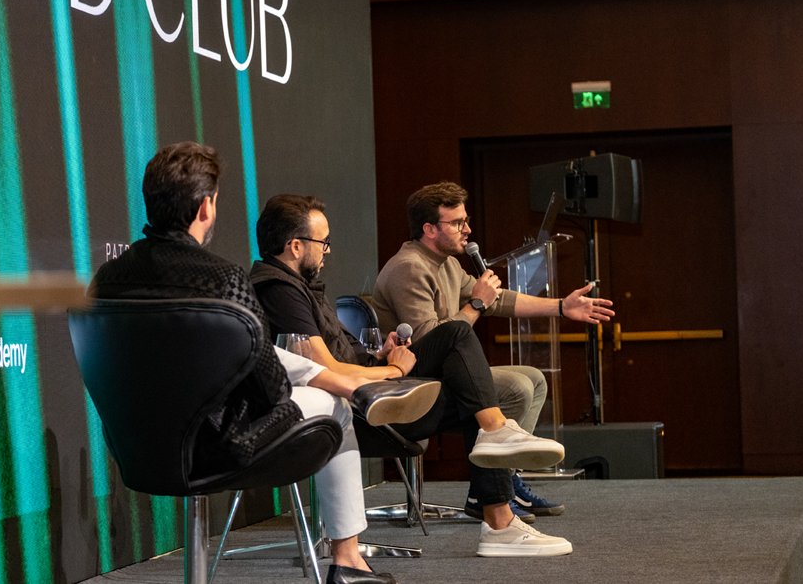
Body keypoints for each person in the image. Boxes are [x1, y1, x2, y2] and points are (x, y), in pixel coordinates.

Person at [90, 143, 441, 584]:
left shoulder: (108, 277)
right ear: (204, 207)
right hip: (220, 443)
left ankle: (346, 383)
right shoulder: (221, 279)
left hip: (135, 445)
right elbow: (270, 390)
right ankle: (348, 561)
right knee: (328, 401)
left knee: (279, 357)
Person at [251, 193, 578, 557]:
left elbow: (338, 353)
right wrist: (392, 368)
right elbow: (321, 367)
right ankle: (498, 445)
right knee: (456, 335)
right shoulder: (279, 289)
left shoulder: (303, 285)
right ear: (296, 246)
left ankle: (499, 519)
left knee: (481, 400)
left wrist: (377, 354)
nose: (327, 250)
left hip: (370, 391)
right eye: (323, 242)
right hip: (352, 410)